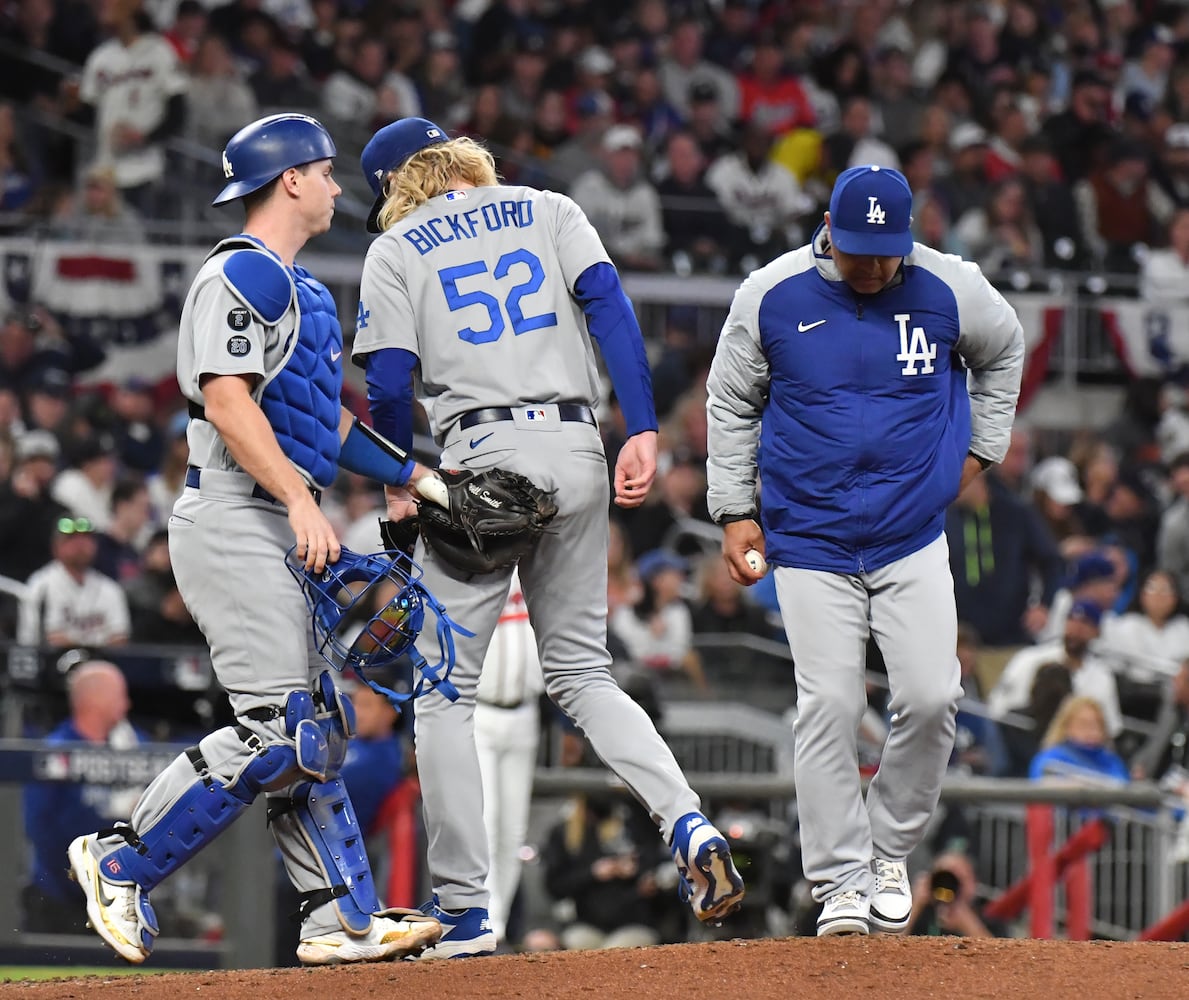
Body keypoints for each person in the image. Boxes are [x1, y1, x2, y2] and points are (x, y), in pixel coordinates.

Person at [352, 117, 745, 958]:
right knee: (582, 674)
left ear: (392, 185)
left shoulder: (395, 250)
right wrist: (639, 427)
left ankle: (462, 911)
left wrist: (396, 478)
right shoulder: (547, 206)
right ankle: (687, 824)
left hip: (481, 457)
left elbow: (386, 382)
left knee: (441, 690)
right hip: (577, 445)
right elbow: (610, 307)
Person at [66, 112, 445, 968]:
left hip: (277, 513)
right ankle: (119, 861)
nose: (339, 187)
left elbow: (322, 419)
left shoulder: (302, 289)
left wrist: (417, 480)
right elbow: (226, 399)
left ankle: (340, 921)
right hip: (237, 509)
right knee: (278, 726)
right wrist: (297, 501)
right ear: (292, 180)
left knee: (315, 729)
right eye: (327, 171)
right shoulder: (239, 273)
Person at [704, 164, 1024, 937]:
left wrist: (978, 451)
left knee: (931, 696)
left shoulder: (946, 285)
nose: (875, 266)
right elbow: (730, 400)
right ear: (825, 228)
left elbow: (1006, 346)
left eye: (887, 251)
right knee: (831, 705)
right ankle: (840, 879)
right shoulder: (771, 292)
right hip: (809, 540)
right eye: (859, 251)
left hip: (909, 535)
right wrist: (733, 510)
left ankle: (887, 850)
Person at [21, 661, 144, 933]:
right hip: (59, 898)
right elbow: (39, 829)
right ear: (97, 700)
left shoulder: (133, 745)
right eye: (120, 696)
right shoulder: (56, 752)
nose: (127, 705)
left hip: (119, 896)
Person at [474, 568, 544, 946]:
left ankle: (497, 923)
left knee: (514, 829)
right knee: (487, 820)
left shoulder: (537, 570)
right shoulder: (474, 568)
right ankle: (485, 916)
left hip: (526, 711)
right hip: (481, 710)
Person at [988, 599, 1124, 740]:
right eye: (1071, 620)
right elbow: (998, 706)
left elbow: (1110, 728)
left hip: (1073, 747)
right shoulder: (1029, 658)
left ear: (1096, 632)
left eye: (1085, 623)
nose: (1076, 629)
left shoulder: (1102, 677)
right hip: (1019, 737)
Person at [17, 515, 131, 649]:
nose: (80, 544)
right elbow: (46, 640)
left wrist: (73, 643)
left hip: (101, 666)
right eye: (72, 539)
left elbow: (119, 641)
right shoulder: (41, 585)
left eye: (86, 538)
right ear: (56, 546)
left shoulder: (110, 589)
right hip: (51, 666)